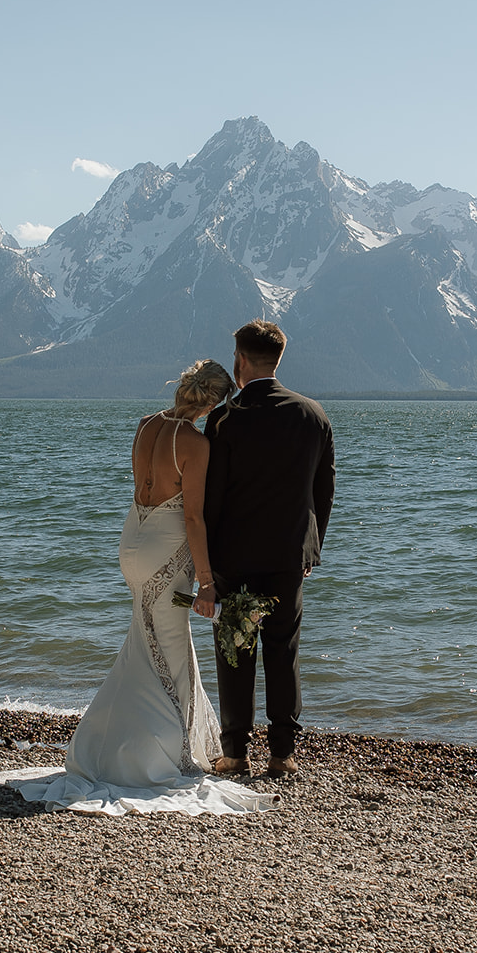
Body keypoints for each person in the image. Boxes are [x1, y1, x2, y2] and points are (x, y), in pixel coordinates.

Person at [0, 360, 275, 817]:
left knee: (147, 642)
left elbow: (142, 485)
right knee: (166, 648)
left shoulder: (146, 426)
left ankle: (123, 741)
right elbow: (193, 517)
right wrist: (207, 583)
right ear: (215, 402)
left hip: (133, 541)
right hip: (167, 550)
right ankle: (146, 755)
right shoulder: (197, 445)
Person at [203, 320, 335, 778]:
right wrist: (309, 552)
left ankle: (235, 752)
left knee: (235, 652)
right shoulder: (313, 415)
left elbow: (211, 498)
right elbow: (323, 493)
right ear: (279, 360)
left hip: (235, 558)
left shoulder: (225, 419)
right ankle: (282, 754)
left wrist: (208, 567)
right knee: (284, 652)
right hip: (287, 558)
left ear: (240, 360)